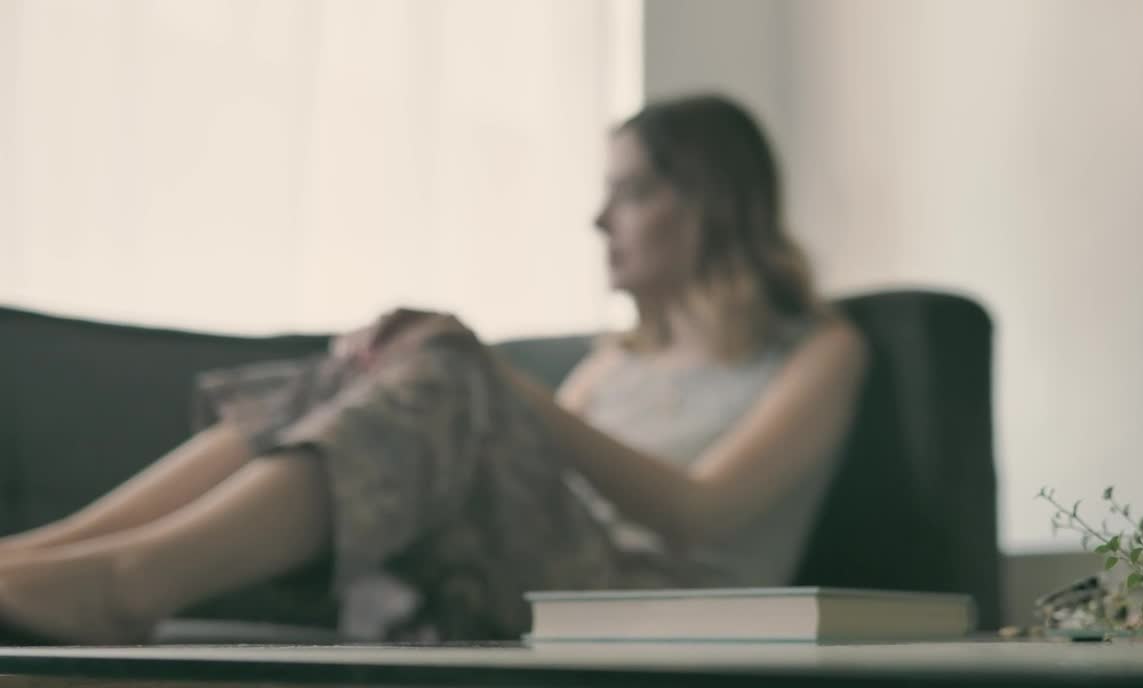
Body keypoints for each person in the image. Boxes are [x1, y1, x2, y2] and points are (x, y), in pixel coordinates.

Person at [0, 94, 867, 645]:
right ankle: (45, 556)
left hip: (661, 604)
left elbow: (698, 511)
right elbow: (528, 470)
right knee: (364, 369)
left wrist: (492, 375)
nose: (600, 220)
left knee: (449, 372)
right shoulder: (618, 359)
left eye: (633, 191)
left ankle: (129, 582)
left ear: (713, 203)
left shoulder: (819, 350)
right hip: (540, 571)